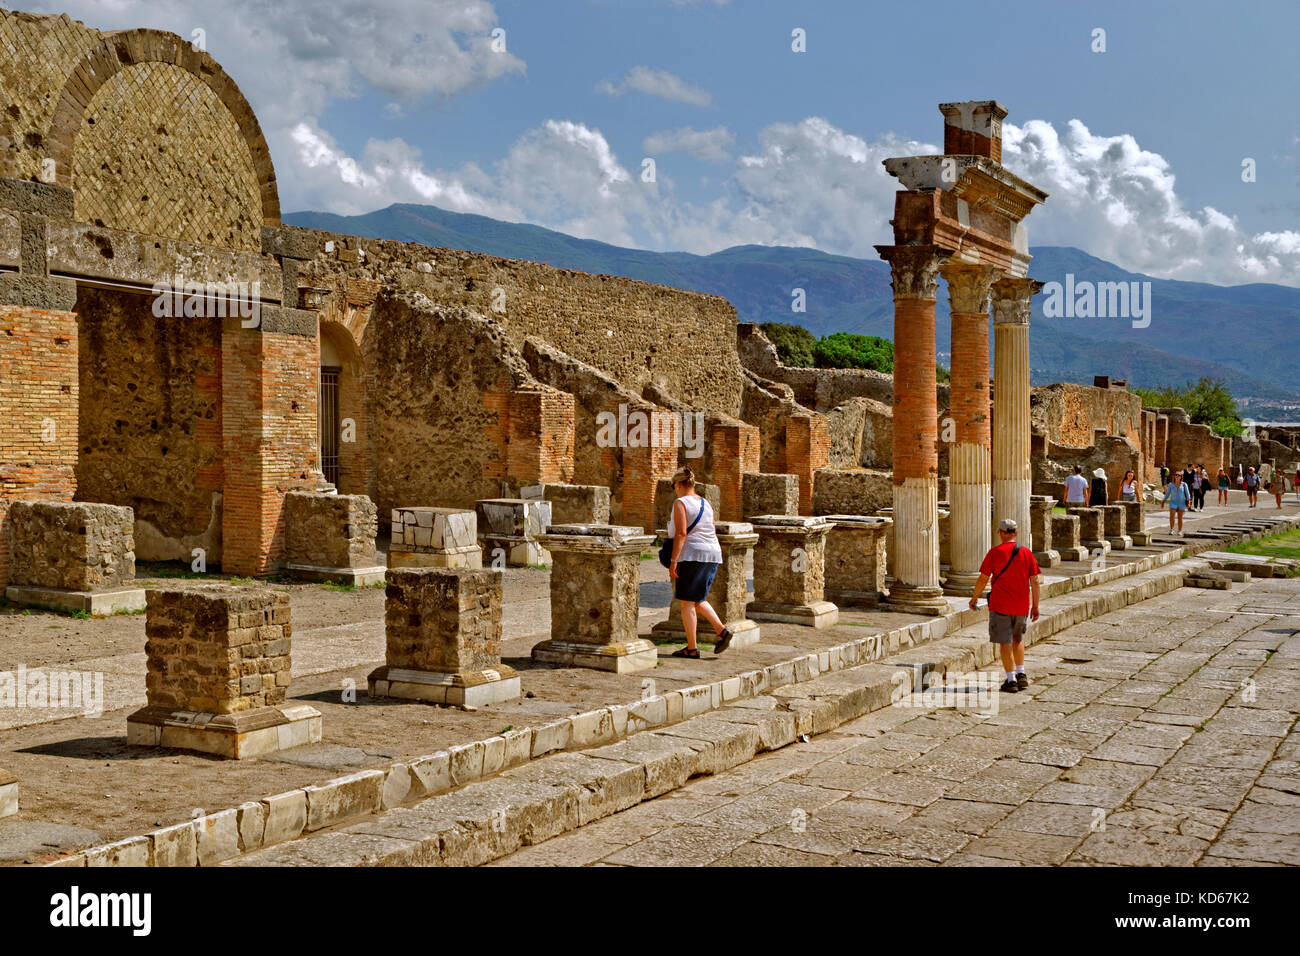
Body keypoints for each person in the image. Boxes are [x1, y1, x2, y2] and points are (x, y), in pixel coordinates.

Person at [968, 518, 1041, 694]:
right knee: (1018, 639)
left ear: (1000, 533)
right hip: (1021, 604)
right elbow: (1035, 581)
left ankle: (1011, 680)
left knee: (1004, 642)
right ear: (1016, 533)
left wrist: (974, 598)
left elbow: (983, 578)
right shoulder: (1026, 553)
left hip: (1000, 604)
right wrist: (1035, 606)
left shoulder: (994, 553)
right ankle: (1021, 673)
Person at [665, 467, 730, 658]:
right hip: (712, 553)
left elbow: (681, 533)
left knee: (686, 603)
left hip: (692, 554)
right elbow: (710, 528)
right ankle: (722, 631)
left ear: (677, 485)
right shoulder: (705, 503)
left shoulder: (680, 503)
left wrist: (674, 560)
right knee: (697, 599)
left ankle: (692, 649)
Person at [1164, 470, 1191, 535]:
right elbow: (1167, 494)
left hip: (1181, 503)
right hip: (1173, 502)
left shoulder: (1184, 485)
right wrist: (1163, 500)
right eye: (1176, 475)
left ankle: (1179, 530)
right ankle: (1171, 529)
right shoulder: (1171, 485)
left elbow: (1187, 494)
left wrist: (1189, 502)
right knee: (1172, 516)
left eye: (1178, 475)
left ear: (1181, 477)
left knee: (1180, 518)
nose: (1177, 476)